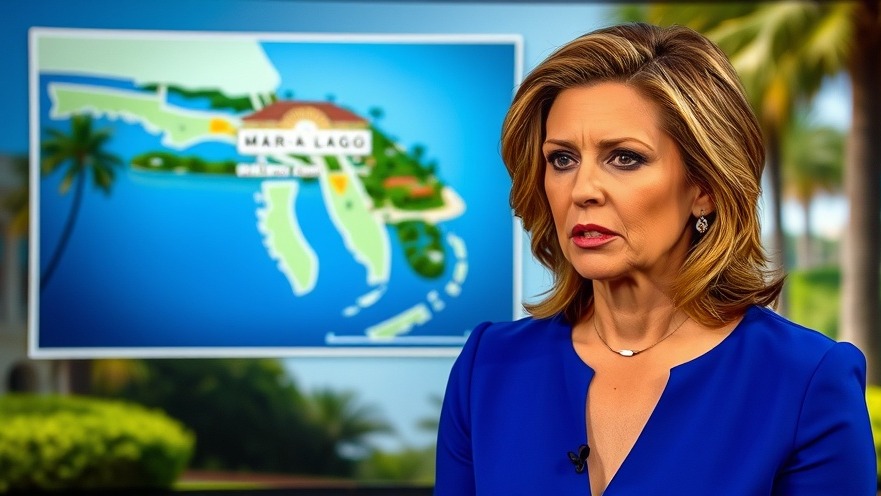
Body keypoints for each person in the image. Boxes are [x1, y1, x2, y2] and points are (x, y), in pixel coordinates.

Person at [435, 22, 876, 496]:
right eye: (562, 159)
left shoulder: (806, 379)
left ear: (704, 189)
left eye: (624, 158)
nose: (582, 191)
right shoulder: (488, 367)